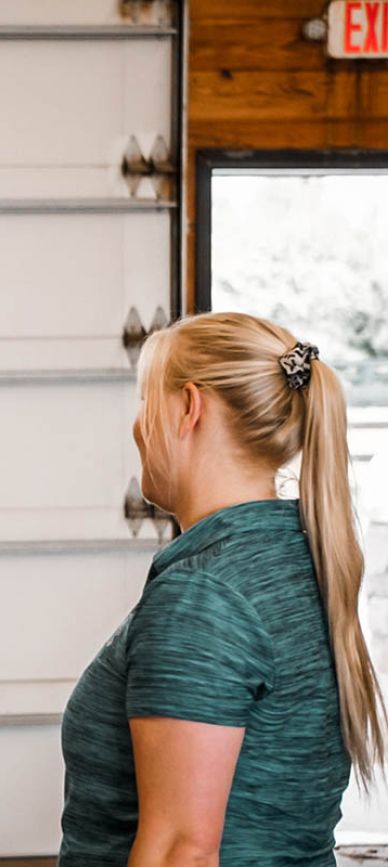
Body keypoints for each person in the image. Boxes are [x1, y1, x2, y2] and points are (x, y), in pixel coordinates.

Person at [60, 312, 386, 865]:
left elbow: (178, 854)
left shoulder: (203, 597)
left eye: (145, 402)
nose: (138, 427)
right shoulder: (297, 558)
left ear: (190, 407)